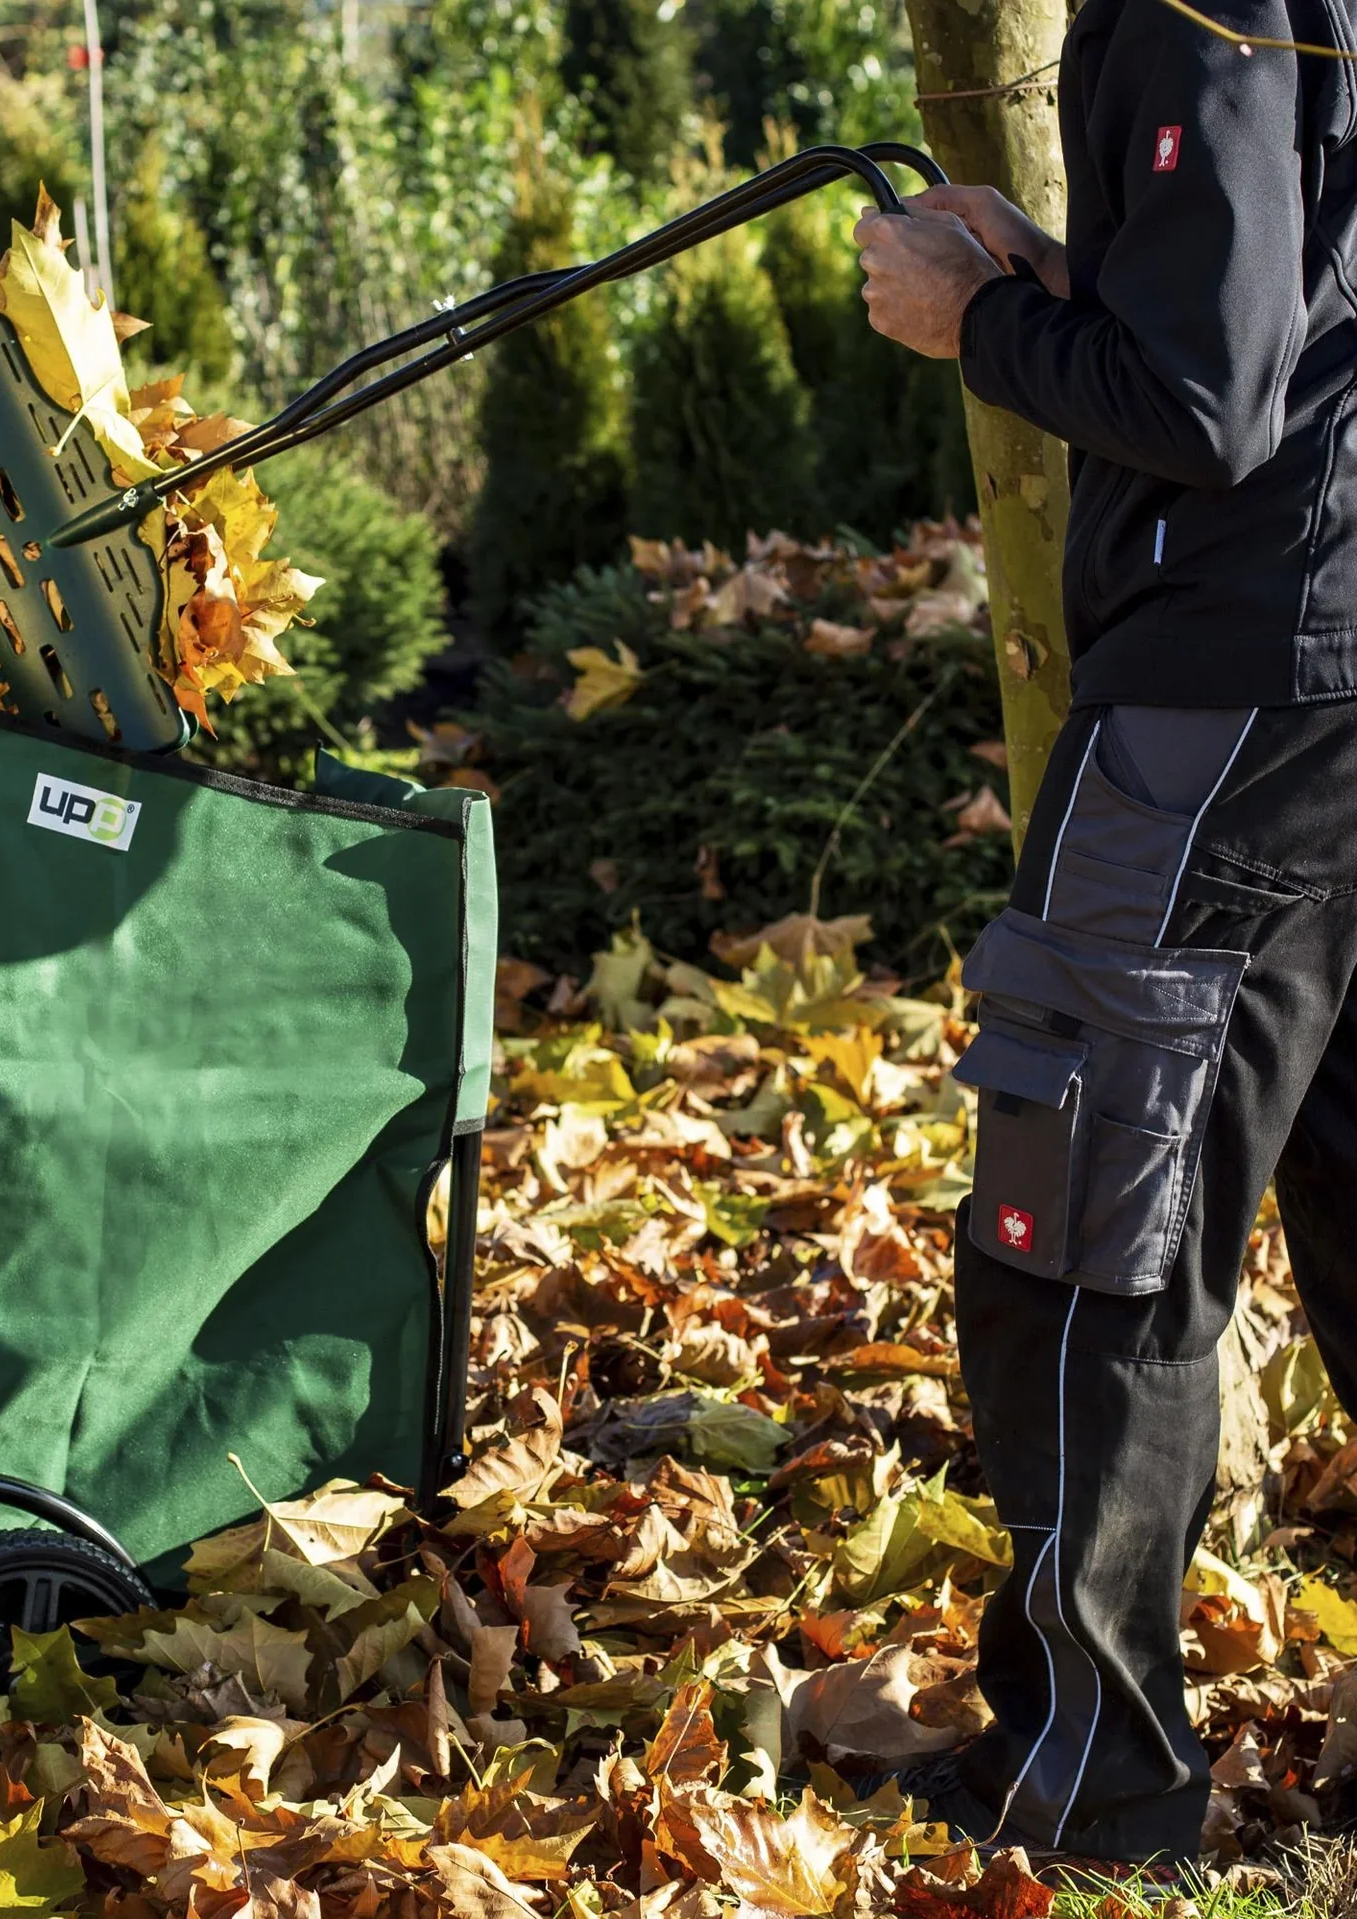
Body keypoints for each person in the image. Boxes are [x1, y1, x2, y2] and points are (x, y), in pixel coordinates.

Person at [852, 0, 1357, 1864]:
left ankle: (1096, 1779)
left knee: (1083, 1221)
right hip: (1338, 671)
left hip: (1220, 692)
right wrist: (1069, 274)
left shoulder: (1192, 4)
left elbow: (1212, 404)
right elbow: (1281, 312)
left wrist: (969, 321)